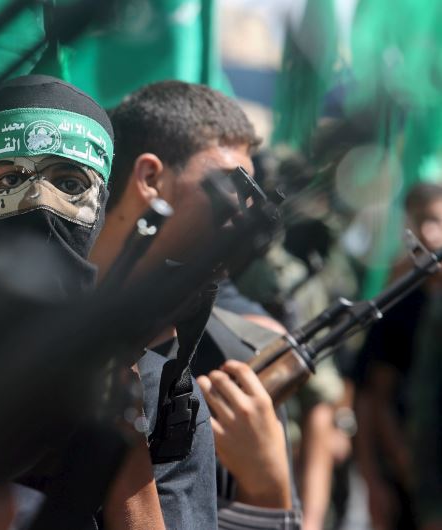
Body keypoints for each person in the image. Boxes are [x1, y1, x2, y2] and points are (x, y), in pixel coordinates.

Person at [0, 74, 166, 530]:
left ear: (102, 203)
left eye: (69, 183)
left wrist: (123, 437)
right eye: (10, 179)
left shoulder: (151, 386)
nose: (39, 201)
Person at [90, 80, 302, 529]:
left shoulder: (232, 361)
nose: (242, 216)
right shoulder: (30, 321)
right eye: (230, 187)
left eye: (252, 196)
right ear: (150, 178)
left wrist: (268, 494)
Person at [354, 182, 442, 530]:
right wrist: (374, 481)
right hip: (409, 486)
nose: (428, 234)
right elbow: (372, 395)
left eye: (437, 221)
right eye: (420, 221)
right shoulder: (400, 302)